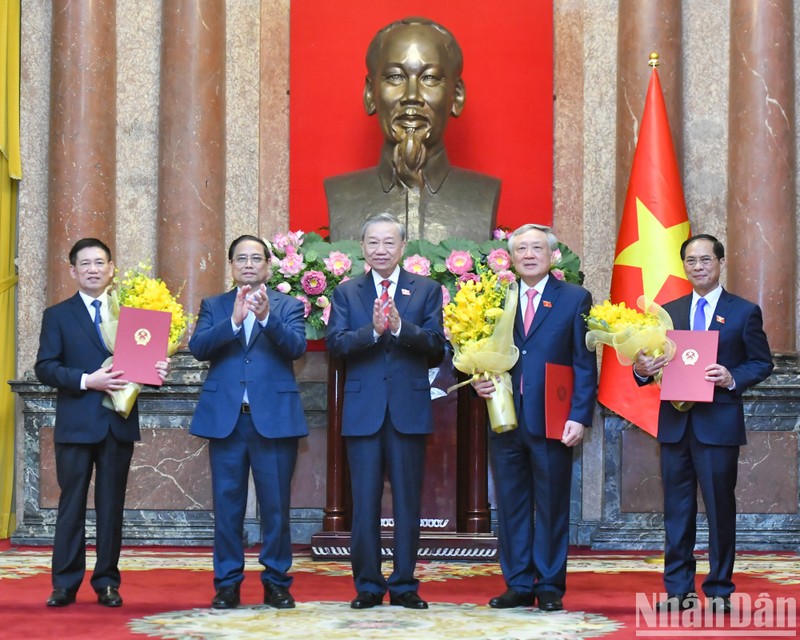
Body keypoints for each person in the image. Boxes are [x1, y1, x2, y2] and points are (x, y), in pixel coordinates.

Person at [633, 234, 773, 614]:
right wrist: (641, 369)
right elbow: (644, 364)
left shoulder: (743, 312)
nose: (698, 266)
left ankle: (720, 589)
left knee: (719, 508)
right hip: (676, 425)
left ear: (720, 262)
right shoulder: (667, 312)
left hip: (718, 424)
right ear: (684, 266)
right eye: (691, 261)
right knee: (676, 511)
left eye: (705, 259)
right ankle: (678, 589)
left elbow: (762, 363)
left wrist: (731, 377)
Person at [35, 237, 169, 608]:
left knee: (112, 507)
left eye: (100, 263)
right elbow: (45, 367)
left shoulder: (132, 314)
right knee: (71, 505)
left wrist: (158, 369)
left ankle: (107, 582)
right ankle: (64, 584)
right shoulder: (57, 315)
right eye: (85, 263)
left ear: (112, 268)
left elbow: (142, 368)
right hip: (76, 424)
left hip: (117, 423)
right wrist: (86, 380)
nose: (93, 269)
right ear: (74, 271)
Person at [473, 223, 597, 612]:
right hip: (505, 418)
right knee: (510, 506)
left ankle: (549, 587)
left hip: (553, 419)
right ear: (510, 257)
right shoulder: (494, 298)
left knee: (552, 504)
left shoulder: (575, 298)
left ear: (551, 255)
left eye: (536, 248)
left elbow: (584, 363)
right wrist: (478, 379)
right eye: (521, 249)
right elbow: (480, 351)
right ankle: (518, 583)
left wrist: (580, 416)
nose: (528, 255)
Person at [326, 212, 445, 609]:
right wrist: (373, 332)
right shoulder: (347, 293)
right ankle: (369, 586)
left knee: (409, 503)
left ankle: (406, 585)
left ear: (403, 247)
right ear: (361, 248)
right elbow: (337, 346)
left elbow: (435, 348)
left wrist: (398, 328)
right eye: (373, 242)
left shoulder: (426, 290)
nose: (381, 249)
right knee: (364, 504)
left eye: (389, 242)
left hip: (408, 411)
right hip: (363, 413)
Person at [188, 235, 308, 609]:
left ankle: (276, 582)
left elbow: (296, 348)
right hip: (227, 421)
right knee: (227, 508)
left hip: (273, 421)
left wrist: (265, 318)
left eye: (257, 258)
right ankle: (227, 583)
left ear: (269, 267)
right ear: (232, 265)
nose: (249, 264)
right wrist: (235, 322)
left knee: (276, 506)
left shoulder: (288, 305)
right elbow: (198, 348)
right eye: (241, 258)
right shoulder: (215, 305)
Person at [325, 17, 500, 244]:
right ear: (370, 94)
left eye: (430, 78)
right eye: (395, 77)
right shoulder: (341, 194)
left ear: (456, 96)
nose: (411, 96)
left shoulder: (483, 194)